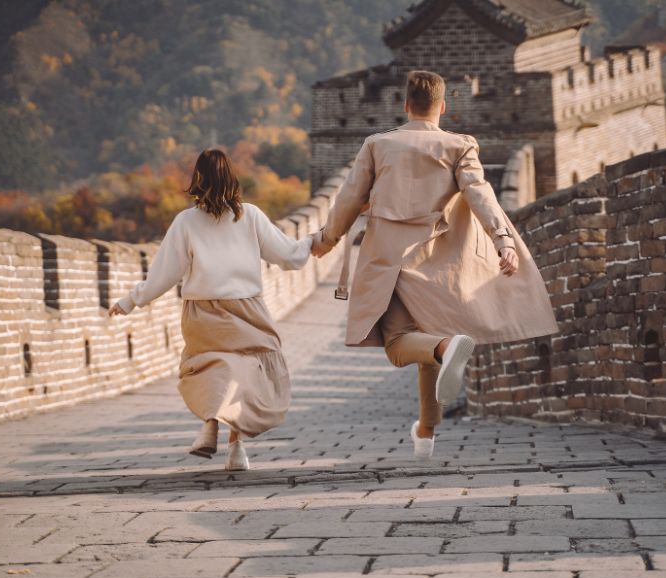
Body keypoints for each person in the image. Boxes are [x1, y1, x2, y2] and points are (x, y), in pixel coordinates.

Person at [311, 70, 559, 460]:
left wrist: (325, 241)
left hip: (388, 262)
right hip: (437, 264)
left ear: (406, 105)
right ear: (443, 107)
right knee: (427, 345)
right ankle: (426, 435)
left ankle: (447, 348)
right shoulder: (459, 145)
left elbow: (347, 200)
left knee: (399, 346)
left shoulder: (377, 145)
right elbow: (480, 193)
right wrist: (503, 239)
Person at [110, 149, 312, 471]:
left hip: (201, 312)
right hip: (246, 309)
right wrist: (315, 241)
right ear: (232, 177)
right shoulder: (251, 216)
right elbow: (288, 256)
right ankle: (237, 448)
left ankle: (210, 423)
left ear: (198, 180)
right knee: (248, 371)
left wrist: (130, 300)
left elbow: (165, 273)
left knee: (212, 367)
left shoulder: (185, 222)